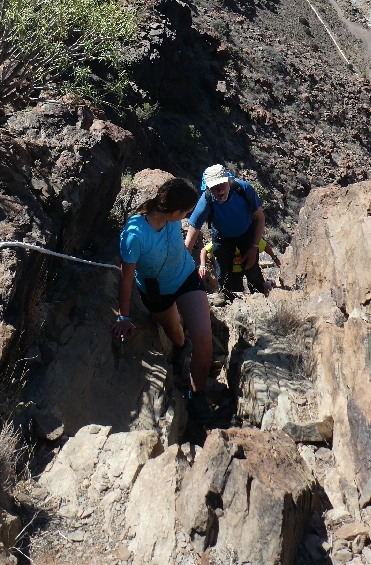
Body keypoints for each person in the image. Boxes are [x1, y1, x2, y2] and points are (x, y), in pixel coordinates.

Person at [113, 177, 216, 426]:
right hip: (156, 290)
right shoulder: (135, 235)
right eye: (185, 214)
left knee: (203, 338)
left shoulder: (168, 217)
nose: (185, 218)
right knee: (176, 334)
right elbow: (126, 279)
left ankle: (196, 393)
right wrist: (123, 316)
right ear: (175, 212)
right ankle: (181, 350)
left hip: (184, 275)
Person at [185, 164, 266, 295]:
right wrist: (183, 258)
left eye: (223, 184)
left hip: (246, 234)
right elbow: (193, 228)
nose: (220, 190)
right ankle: (226, 298)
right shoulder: (206, 199)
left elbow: (260, 218)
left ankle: (260, 296)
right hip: (222, 238)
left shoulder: (243, 189)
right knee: (223, 273)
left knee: (252, 270)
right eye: (214, 187)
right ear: (208, 188)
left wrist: (254, 247)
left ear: (229, 180)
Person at [199, 235, 280, 295]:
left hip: (249, 267)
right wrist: (202, 266)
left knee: (257, 288)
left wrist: (274, 258)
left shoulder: (248, 237)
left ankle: (268, 284)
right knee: (233, 291)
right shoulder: (223, 239)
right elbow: (204, 250)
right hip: (232, 272)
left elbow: (265, 246)